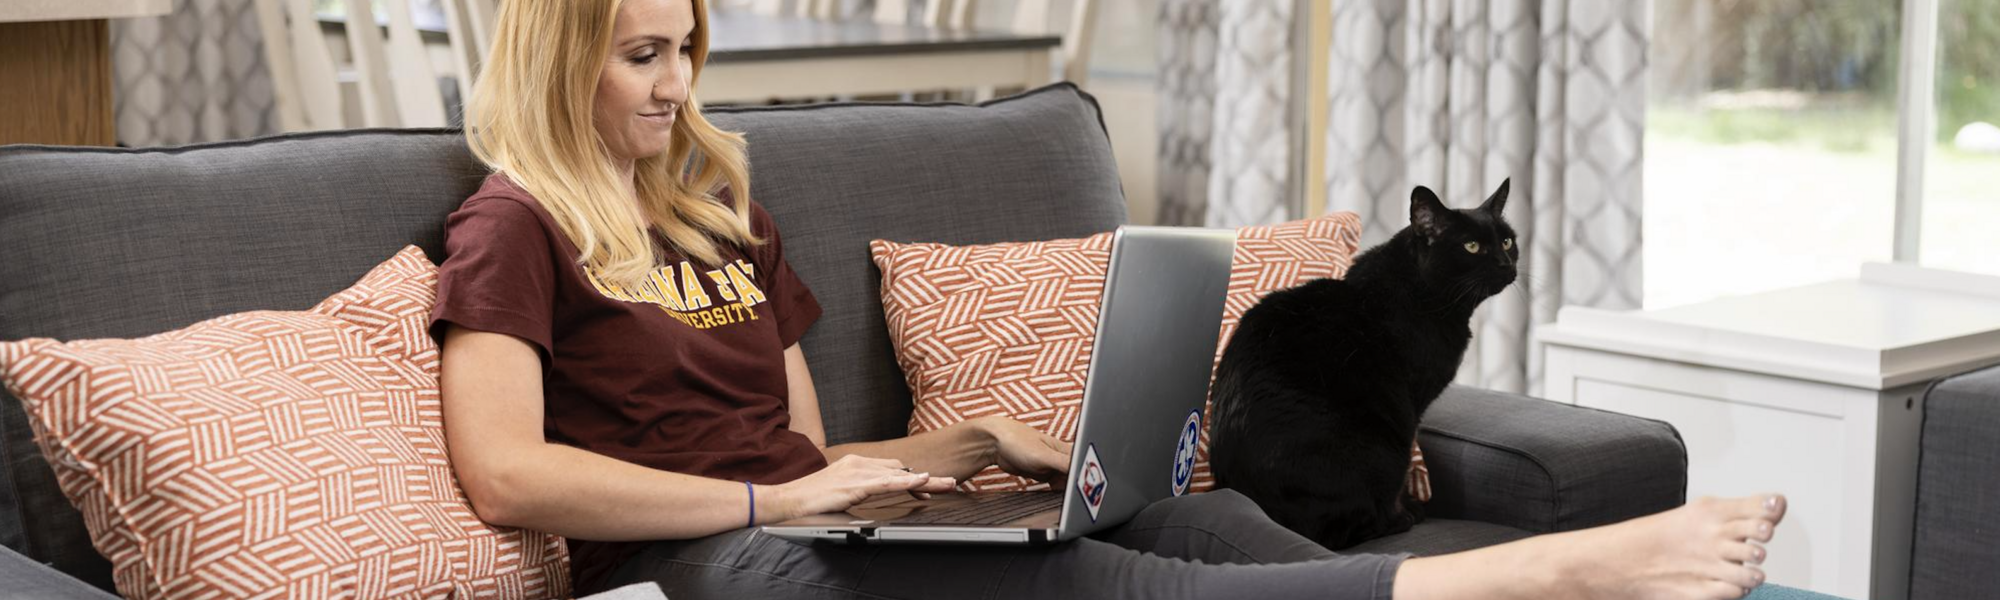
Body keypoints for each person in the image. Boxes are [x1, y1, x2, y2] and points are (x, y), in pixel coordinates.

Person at [429, 0, 1787, 598]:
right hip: (701, 568)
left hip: (800, 521)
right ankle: (1558, 576)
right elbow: (504, 475)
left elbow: (808, 456)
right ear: (560, 60)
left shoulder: (723, 220)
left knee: (1194, 512)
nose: (676, 87)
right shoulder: (514, 225)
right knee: (1103, 578)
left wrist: (965, 452)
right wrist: (769, 505)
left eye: (689, 52)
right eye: (644, 55)